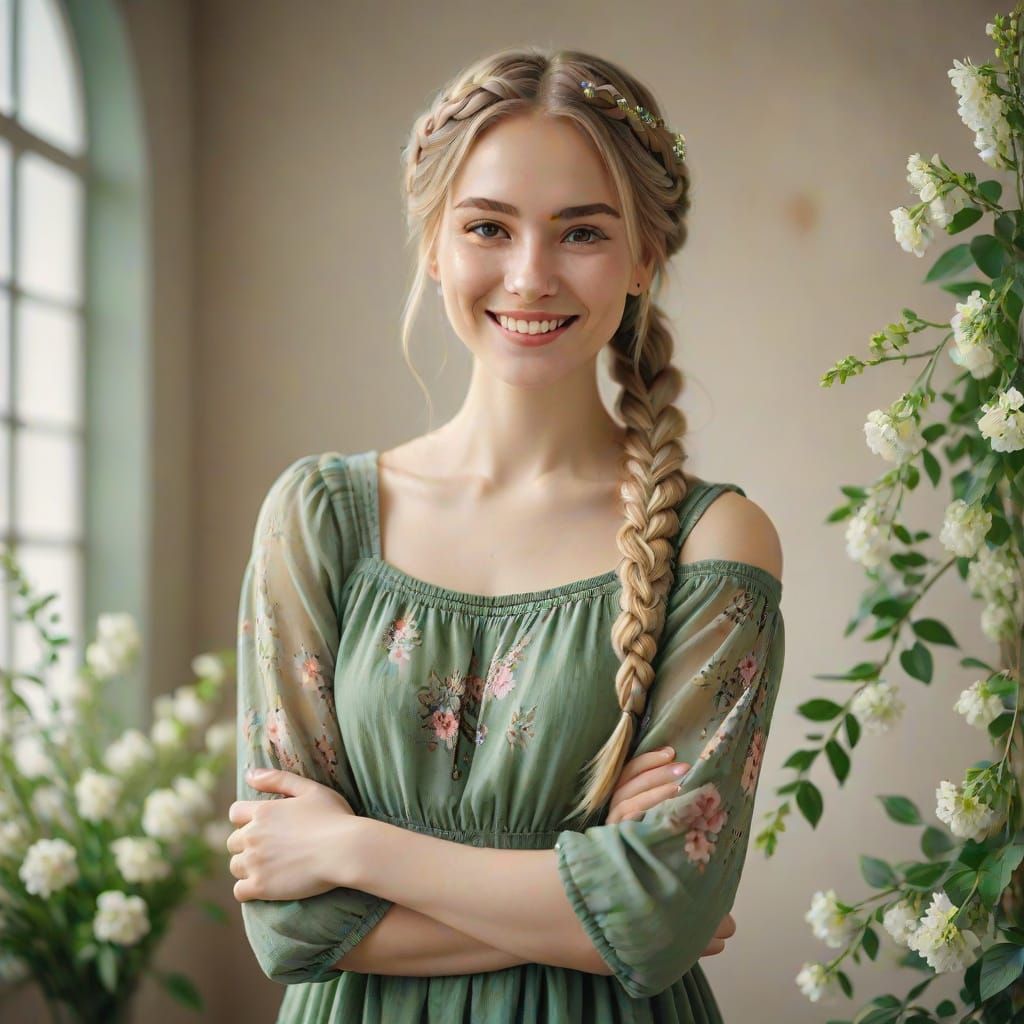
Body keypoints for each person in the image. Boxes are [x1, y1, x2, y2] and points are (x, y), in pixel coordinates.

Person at [226, 45, 785, 1024]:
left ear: (645, 256)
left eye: (580, 232)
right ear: (434, 244)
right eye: (488, 225)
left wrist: (357, 849)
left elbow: (664, 913)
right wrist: (596, 900)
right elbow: (288, 930)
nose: (529, 276)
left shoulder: (715, 539)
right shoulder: (317, 519)